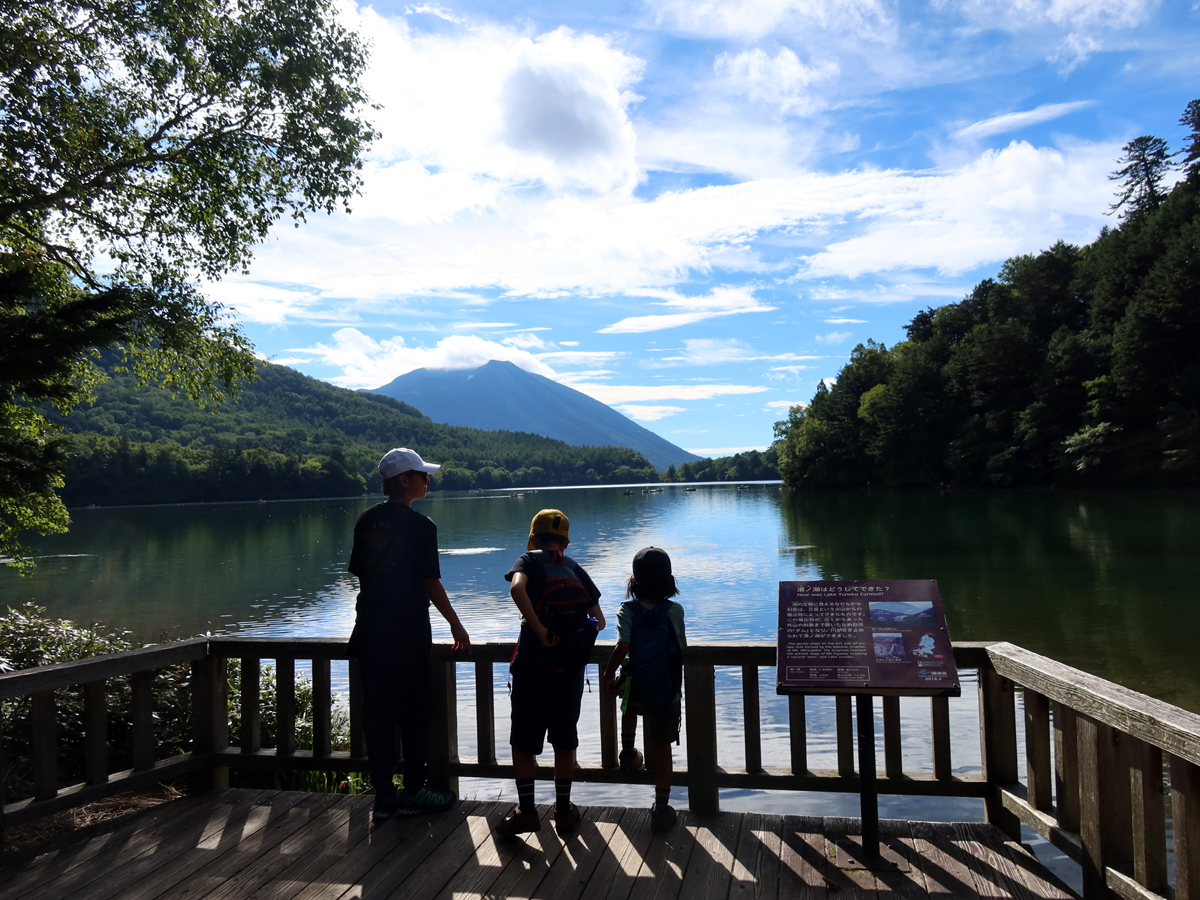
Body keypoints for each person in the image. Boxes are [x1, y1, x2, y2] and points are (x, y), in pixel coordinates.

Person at [348, 447, 472, 823]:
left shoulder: (365, 521)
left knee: (378, 712)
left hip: (370, 630)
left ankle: (384, 797)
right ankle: (416, 789)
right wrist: (455, 622)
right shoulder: (422, 526)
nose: (427, 480)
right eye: (421, 474)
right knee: (416, 709)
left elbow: (362, 575)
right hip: (407, 630)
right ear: (405, 480)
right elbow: (429, 582)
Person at [497, 509, 604, 838]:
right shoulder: (573, 567)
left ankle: (527, 811)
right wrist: (571, 641)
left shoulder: (528, 561)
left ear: (531, 538)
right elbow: (598, 620)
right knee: (563, 740)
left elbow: (517, 590)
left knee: (524, 742)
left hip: (533, 668)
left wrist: (541, 629)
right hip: (569, 672)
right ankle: (564, 811)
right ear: (566, 542)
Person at [601, 546, 685, 834]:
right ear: (668, 581)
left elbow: (623, 645)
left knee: (629, 707)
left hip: (634, 683)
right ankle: (661, 809)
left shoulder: (628, 609)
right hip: (667, 689)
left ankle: (627, 752)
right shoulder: (674, 610)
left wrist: (610, 672)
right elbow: (681, 649)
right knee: (662, 750)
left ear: (634, 581)